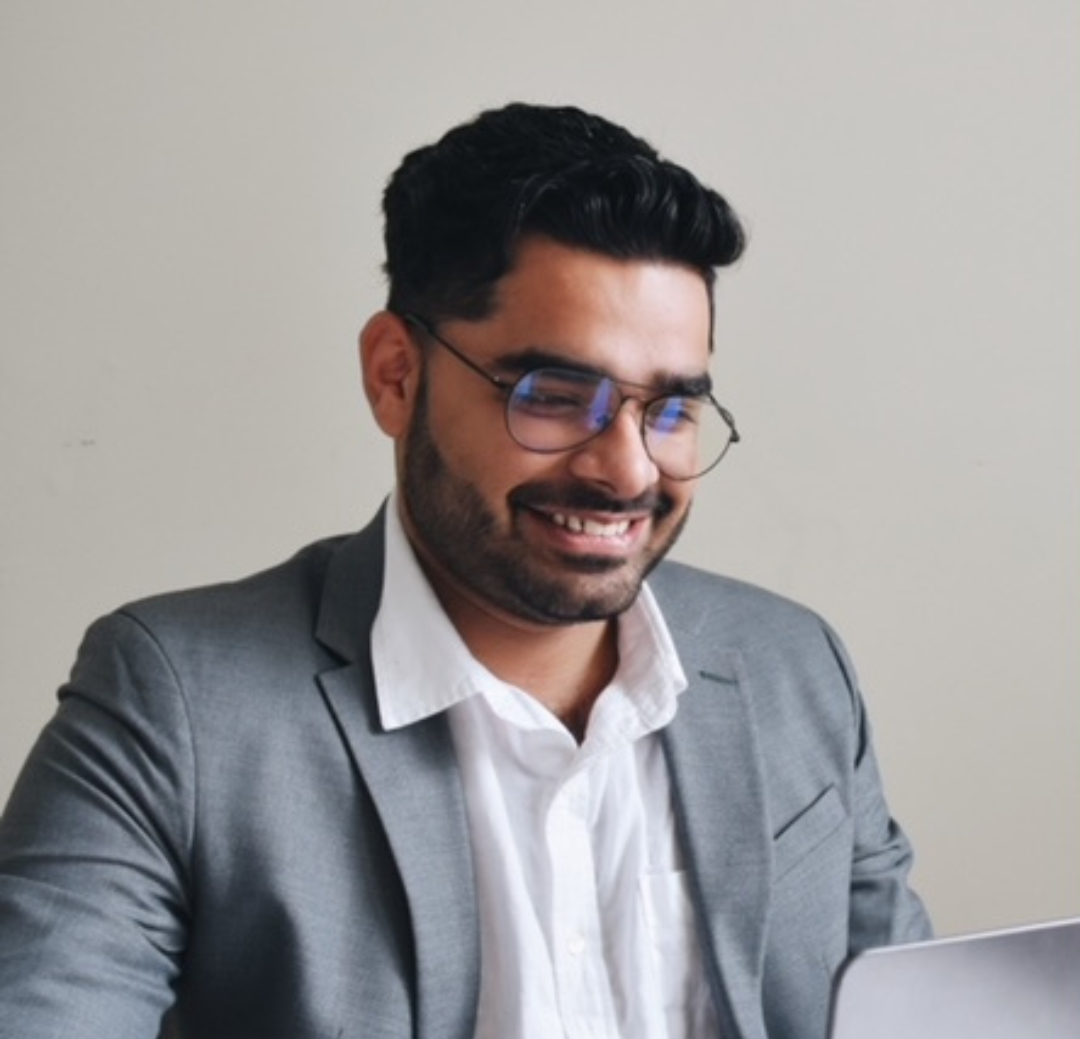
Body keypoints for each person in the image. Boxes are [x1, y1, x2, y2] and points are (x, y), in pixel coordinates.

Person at [0, 103, 930, 1039]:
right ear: (395, 375)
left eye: (673, 411)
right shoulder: (179, 701)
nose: (629, 471)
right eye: (557, 397)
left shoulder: (795, 666)